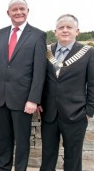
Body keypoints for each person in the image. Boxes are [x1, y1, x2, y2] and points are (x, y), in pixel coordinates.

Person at [0, 0, 47, 171]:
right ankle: (3, 168)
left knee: (22, 140)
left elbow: (39, 70)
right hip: (1, 97)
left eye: (22, 9)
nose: (18, 12)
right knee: (3, 139)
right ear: (8, 13)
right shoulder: (0, 33)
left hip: (23, 100)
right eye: (14, 10)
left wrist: (34, 99)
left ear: (28, 11)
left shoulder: (38, 35)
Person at [38, 14, 94, 171]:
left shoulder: (88, 52)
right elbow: (39, 79)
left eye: (69, 27)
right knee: (47, 156)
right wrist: (38, 101)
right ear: (55, 31)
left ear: (77, 31)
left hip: (76, 114)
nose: (65, 30)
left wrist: (89, 110)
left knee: (73, 158)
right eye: (61, 27)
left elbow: (93, 84)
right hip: (49, 113)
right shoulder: (46, 51)